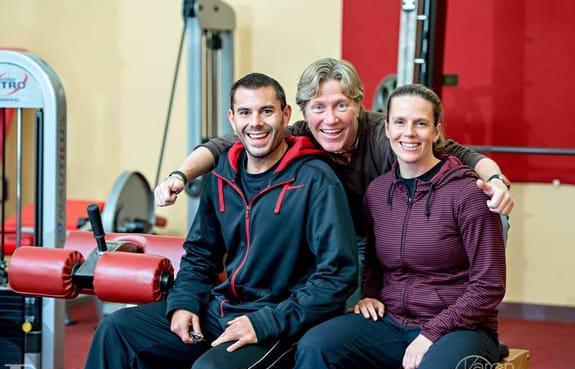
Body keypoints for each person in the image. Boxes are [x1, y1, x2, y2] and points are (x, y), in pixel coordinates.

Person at [81, 73, 357, 369]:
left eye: (266, 111)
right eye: (245, 112)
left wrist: (267, 322)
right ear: (232, 118)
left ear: (285, 115)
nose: (256, 122)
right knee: (116, 333)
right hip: (223, 310)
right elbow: (200, 253)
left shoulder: (315, 179)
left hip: (283, 322)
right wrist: (183, 303)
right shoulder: (223, 173)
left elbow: (338, 275)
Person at [155, 58, 512, 304]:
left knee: (492, 214)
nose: (330, 119)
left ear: (358, 105)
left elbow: (466, 156)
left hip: (385, 241)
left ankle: (466, 322)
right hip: (336, 245)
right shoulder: (297, 134)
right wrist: (179, 176)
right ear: (301, 111)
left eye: (341, 105)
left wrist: (495, 181)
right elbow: (222, 146)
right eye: (318, 107)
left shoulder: (384, 134)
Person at [292, 84, 506, 369]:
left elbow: (489, 287)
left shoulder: (469, 194)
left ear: (436, 131)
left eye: (420, 123)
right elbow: (375, 264)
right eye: (400, 122)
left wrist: (432, 333)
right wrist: (369, 294)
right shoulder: (378, 193)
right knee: (314, 349)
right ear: (387, 128)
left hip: (464, 328)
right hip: (394, 322)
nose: (410, 133)